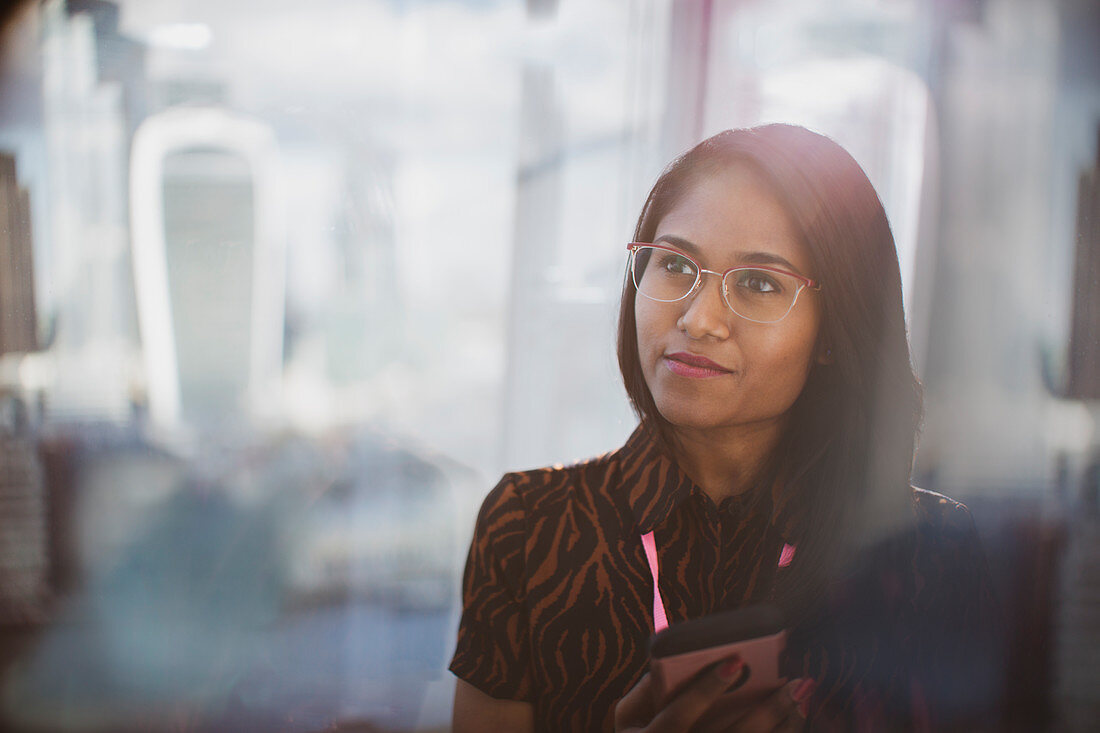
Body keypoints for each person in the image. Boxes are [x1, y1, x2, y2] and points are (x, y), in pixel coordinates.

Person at [450, 124, 1001, 732]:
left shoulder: (926, 551)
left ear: (833, 334)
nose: (697, 318)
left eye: (760, 283)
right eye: (675, 265)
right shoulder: (529, 526)